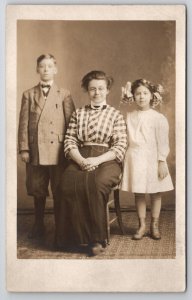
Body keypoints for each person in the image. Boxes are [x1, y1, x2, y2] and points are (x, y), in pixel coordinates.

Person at [56, 70, 127, 256]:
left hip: (107, 158)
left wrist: (97, 159)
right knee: (65, 184)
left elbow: (120, 146)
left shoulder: (115, 114)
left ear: (107, 90)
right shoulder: (78, 113)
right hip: (81, 155)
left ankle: (96, 239)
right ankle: (69, 238)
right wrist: (80, 160)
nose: (97, 93)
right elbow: (70, 140)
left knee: (95, 184)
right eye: (92, 89)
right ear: (87, 91)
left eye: (101, 89)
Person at [18, 54, 75, 239]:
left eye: (49, 66)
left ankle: (61, 226)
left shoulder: (64, 94)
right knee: (37, 189)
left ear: (55, 70)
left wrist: (70, 150)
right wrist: (24, 148)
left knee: (59, 189)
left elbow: (71, 124)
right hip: (36, 151)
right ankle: (38, 224)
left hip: (58, 151)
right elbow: (24, 124)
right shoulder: (28, 94)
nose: (46, 70)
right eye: (42, 66)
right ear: (37, 69)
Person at [120, 79, 174, 240]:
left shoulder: (158, 118)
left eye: (145, 93)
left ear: (152, 96)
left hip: (153, 157)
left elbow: (163, 142)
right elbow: (120, 129)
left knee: (156, 192)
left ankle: (154, 224)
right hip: (135, 157)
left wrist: (162, 161)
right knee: (139, 192)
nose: (141, 97)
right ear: (133, 97)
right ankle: (142, 224)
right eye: (137, 93)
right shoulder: (129, 116)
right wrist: (123, 99)